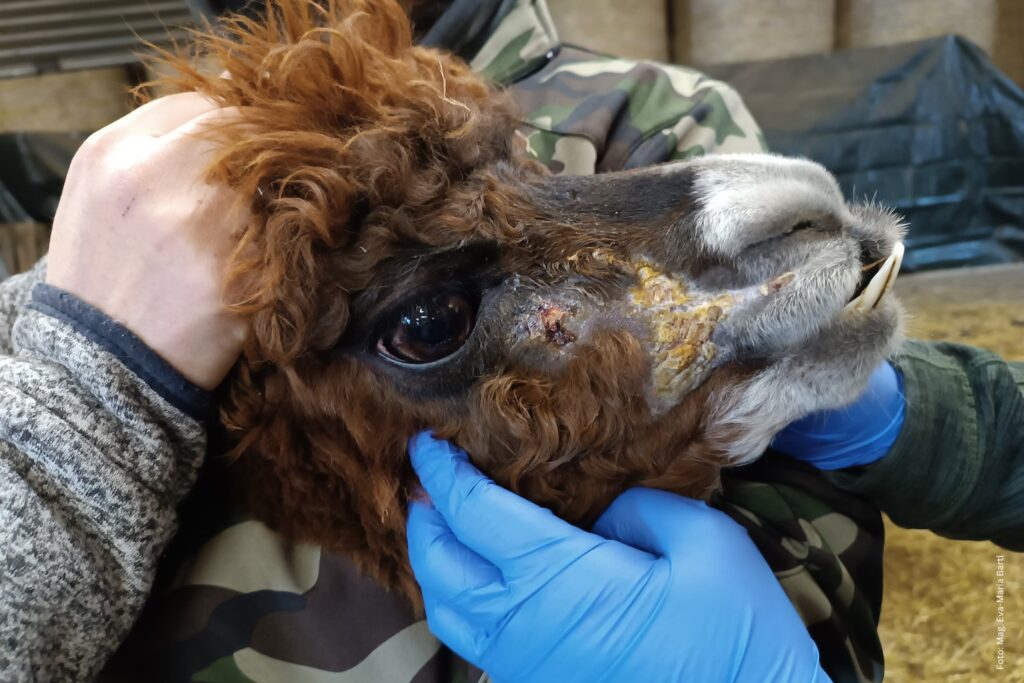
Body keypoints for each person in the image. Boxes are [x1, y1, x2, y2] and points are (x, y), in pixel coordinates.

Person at [0, 2, 1019, 682]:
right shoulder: (128, 255)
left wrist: (913, 421)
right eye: (430, 324)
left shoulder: (635, 115)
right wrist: (91, 398)